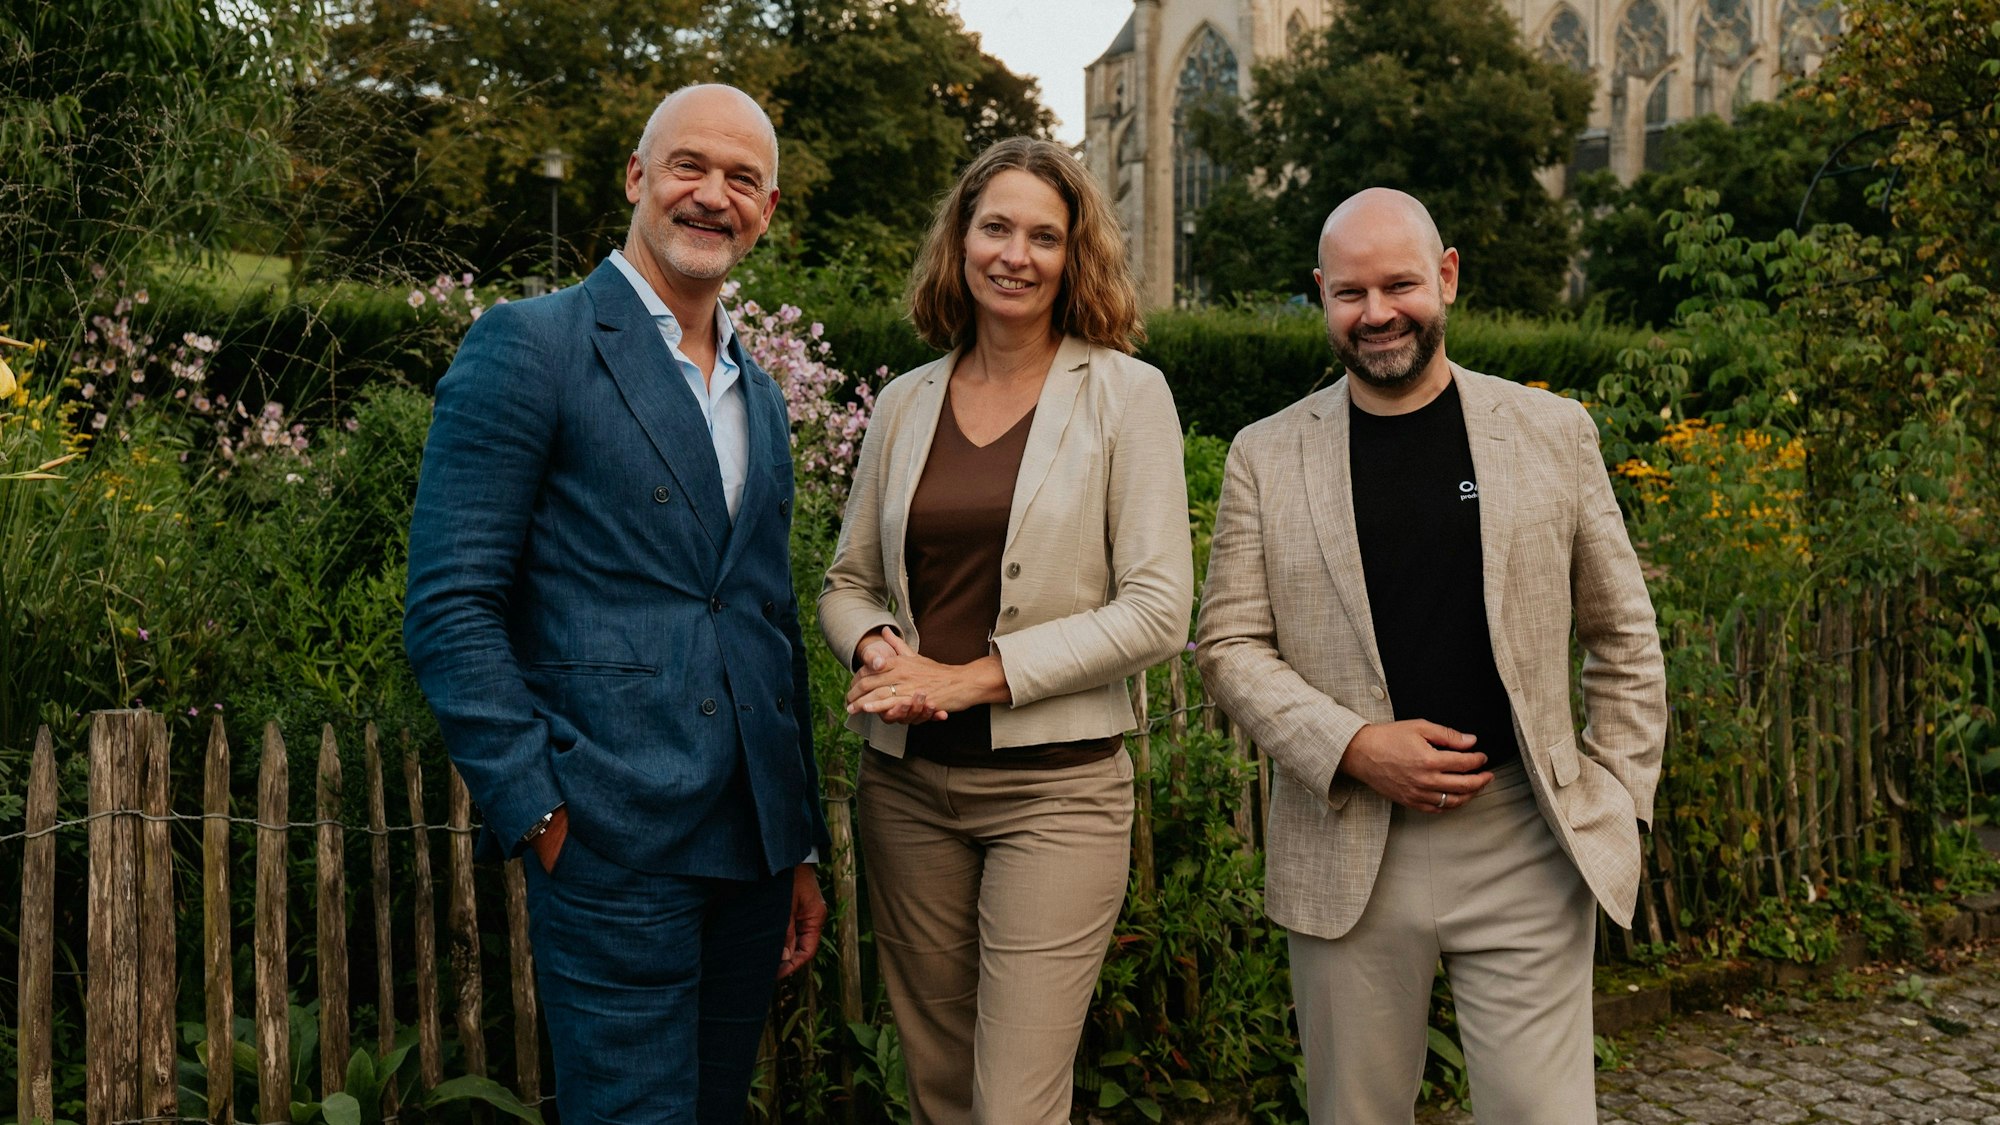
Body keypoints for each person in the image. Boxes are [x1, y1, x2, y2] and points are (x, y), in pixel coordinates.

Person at [1194, 187, 1666, 1124]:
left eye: (1400, 284)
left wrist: (1615, 793)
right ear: (1320, 294)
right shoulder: (1265, 453)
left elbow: (1624, 635)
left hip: (1527, 837)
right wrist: (1354, 745)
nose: (1377, 314)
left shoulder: (1551, 431)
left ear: (1445, 276)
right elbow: (1230, 645)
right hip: (1349, 849)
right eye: (1350, 293)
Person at [403, 83, 828, 1123]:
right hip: (607, 840)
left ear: (766, 210)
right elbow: (451, 604)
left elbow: (761, 618)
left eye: (741, 179)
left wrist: (800, 842)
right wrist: (542, 812)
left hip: (752, 846)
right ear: (637, 179)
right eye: (689, 166)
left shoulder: (759, 392)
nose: (711, 195)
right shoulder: (530, 345)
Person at [818, 137, 1193, 1124]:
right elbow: (845, 582)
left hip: (1057, 795)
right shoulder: (903, 404)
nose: (1014, 254)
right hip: (904, 792)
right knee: (939, 1089)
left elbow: (1157, 609)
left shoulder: (1124, 394)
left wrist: (967, 679)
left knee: (1015, 1103)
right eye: (995, 228)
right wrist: (874, 648)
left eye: (1043, 235)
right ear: (960, 240)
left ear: (1075, 257)